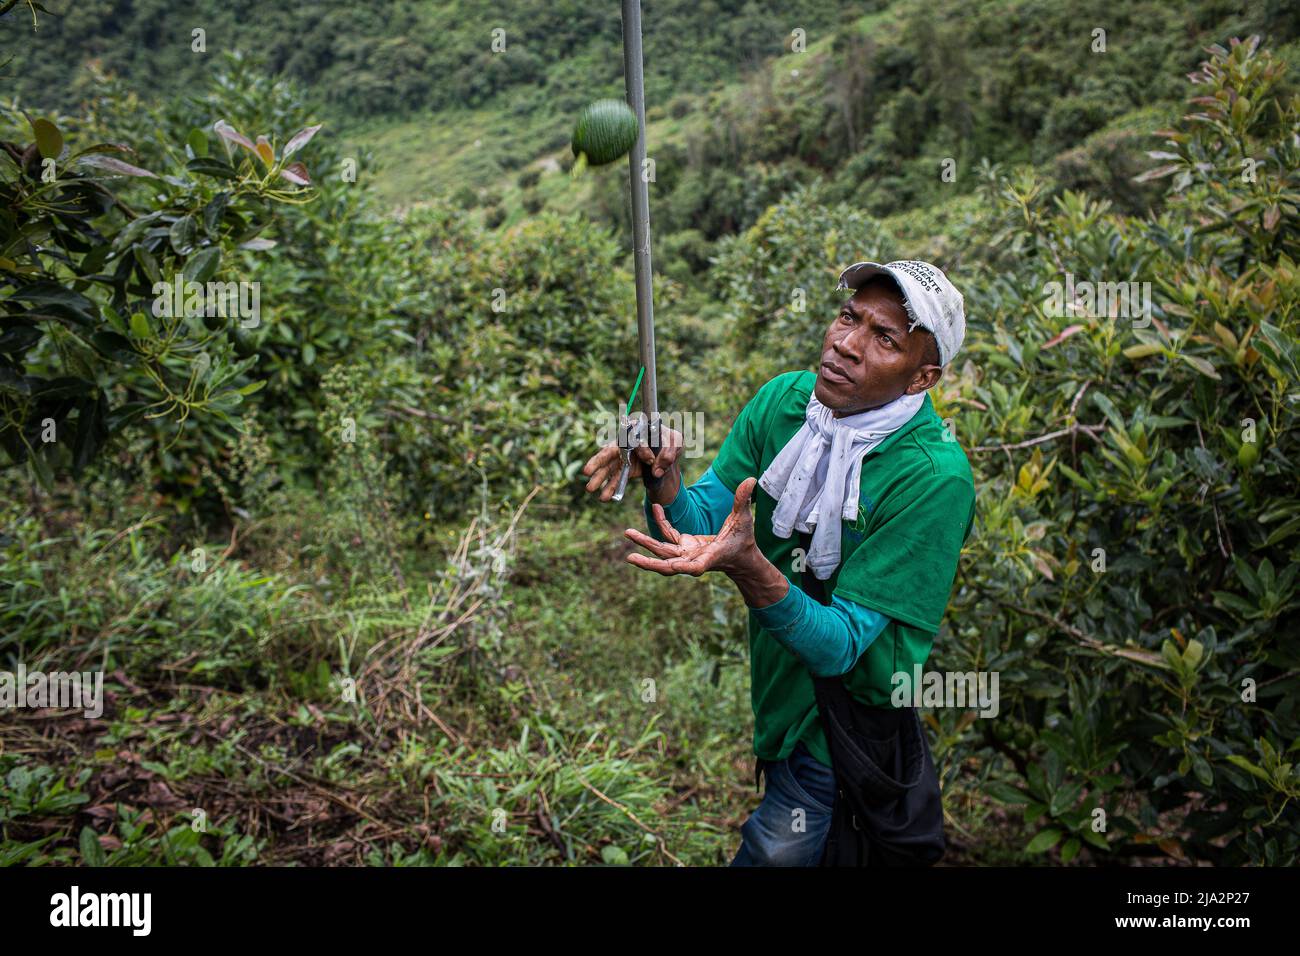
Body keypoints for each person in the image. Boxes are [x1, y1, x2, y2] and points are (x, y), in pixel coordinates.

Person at [581, 259, 976, 866]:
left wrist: (749, 567)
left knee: (774, 851)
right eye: (849, 317)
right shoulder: (785, 402)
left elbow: (840, 645)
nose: (846, 344)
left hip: (841, 724)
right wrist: (662, 475)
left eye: (884, 338)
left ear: (922, 378)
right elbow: (703, 523)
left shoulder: (931, 477)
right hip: (779, 697)